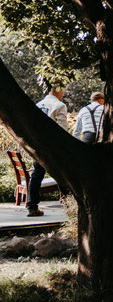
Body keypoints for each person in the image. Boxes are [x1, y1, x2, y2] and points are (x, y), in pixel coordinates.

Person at [26, 86, 68, 217]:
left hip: (38, 145)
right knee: (62, 175)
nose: (63, 94)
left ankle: (32, 207)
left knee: (36, 175)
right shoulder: (60, 105)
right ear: (59, 91)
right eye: (63, 92)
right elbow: (62, 130)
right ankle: (69, 205)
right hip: (53, 147)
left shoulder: (38, 105)